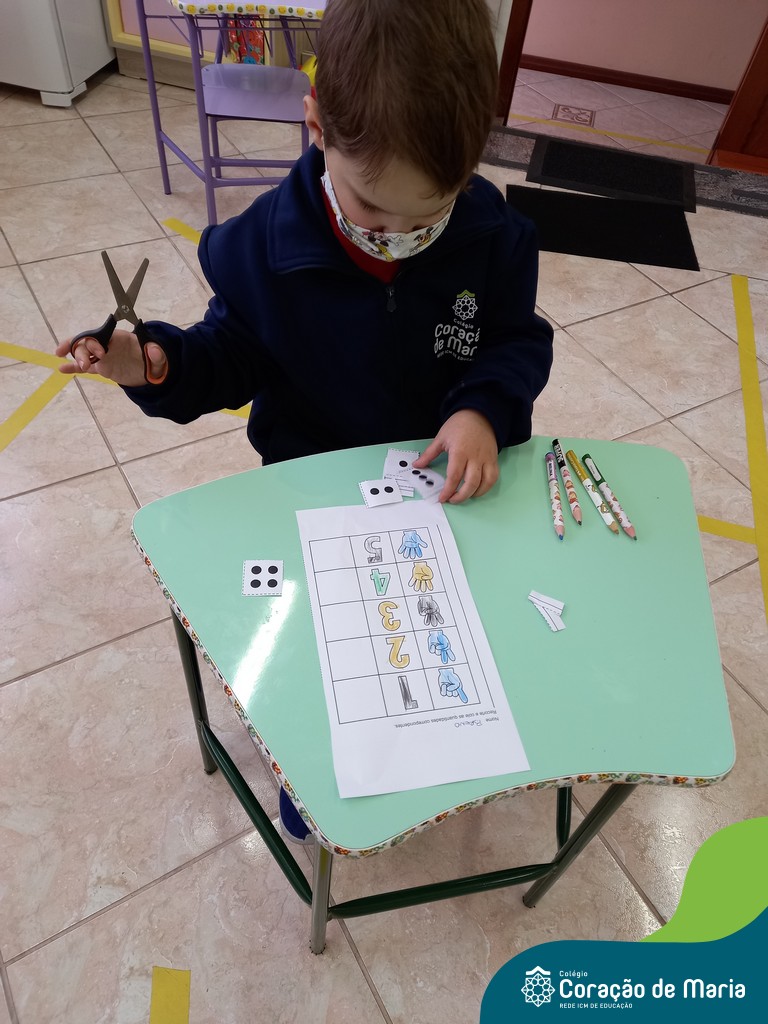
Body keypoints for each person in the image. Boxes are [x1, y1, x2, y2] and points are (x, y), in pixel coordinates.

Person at [56, 0, 553, 842]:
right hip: (307, 495)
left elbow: (516, 340)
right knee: (321, 663)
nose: (400, 236)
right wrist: (154, 363)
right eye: (374, 210)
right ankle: (315, 776)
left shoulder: (494, 238)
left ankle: (431, 760)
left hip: (438, 497)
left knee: (438, 640)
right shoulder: (262, 247)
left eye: (429, 215)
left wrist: (482, 406)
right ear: (316, 127)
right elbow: (229, 355)